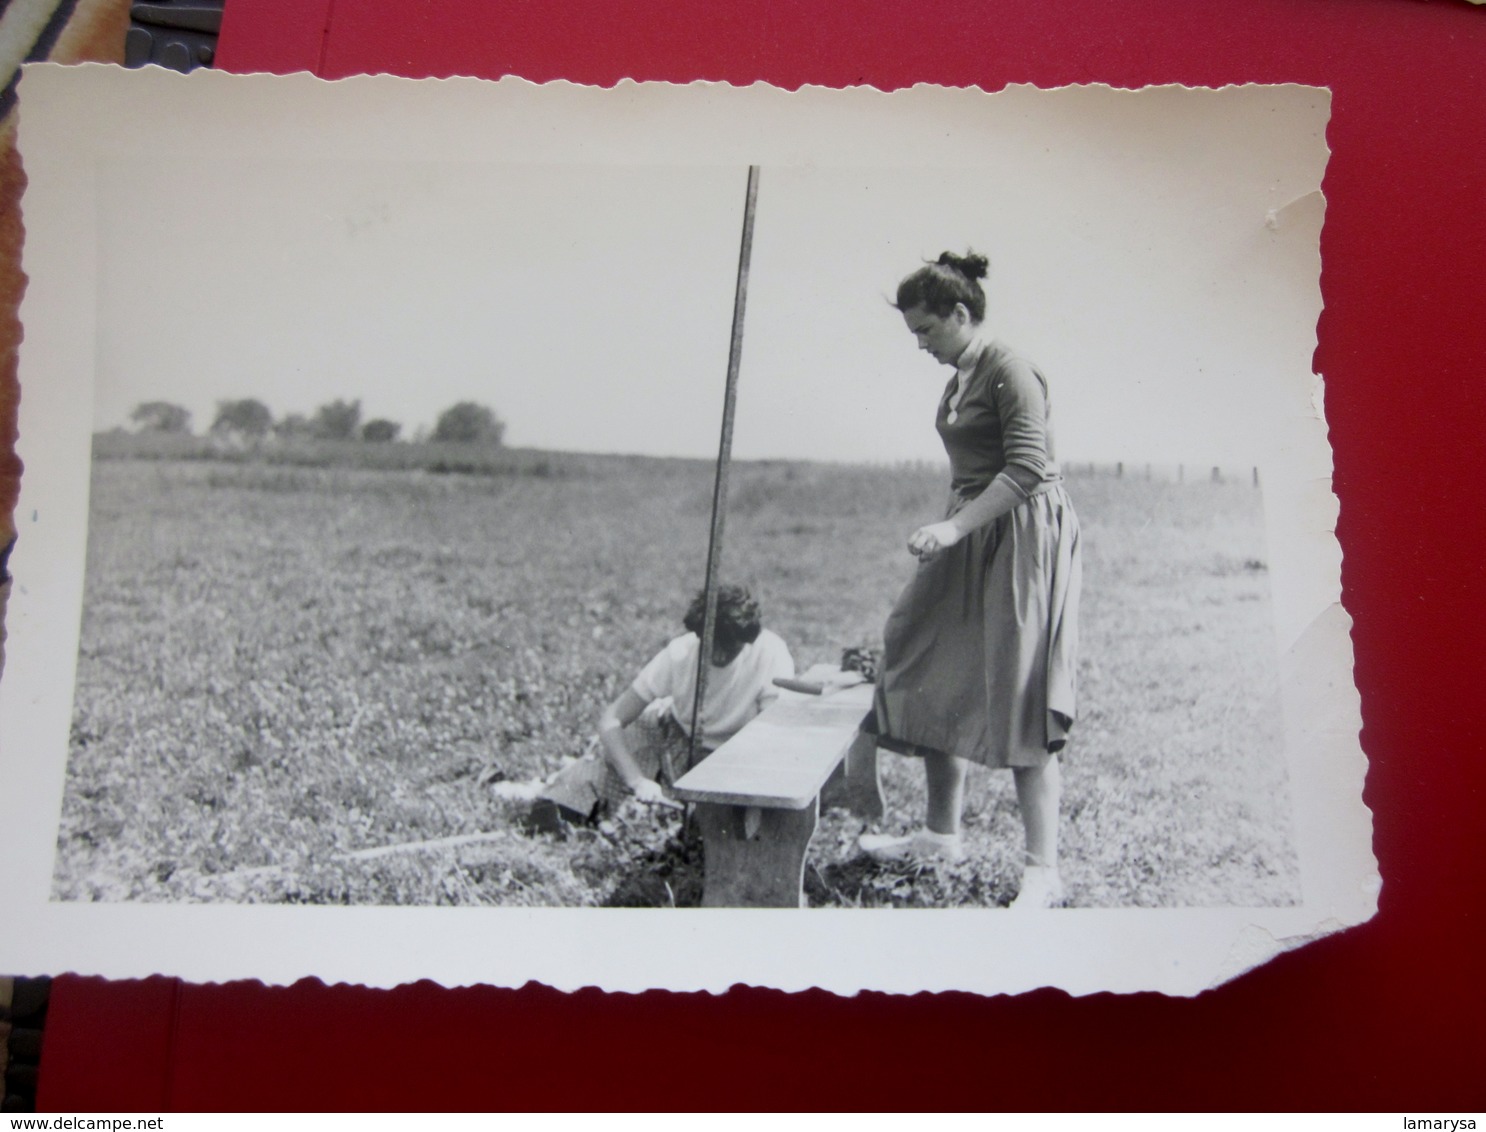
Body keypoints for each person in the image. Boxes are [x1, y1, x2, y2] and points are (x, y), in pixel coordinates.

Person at [857, 250, 1082, 910]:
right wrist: (955, 523)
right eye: (913, 334)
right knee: (923, 656)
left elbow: (1030, 471)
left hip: (1023, 535)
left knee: (1019, 691)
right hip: (971, 528)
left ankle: (1043, 870)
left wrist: (956, 528)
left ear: (961, 313)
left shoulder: (1009, 367)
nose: (920, 345)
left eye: (927, 330)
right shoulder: (960, 374)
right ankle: (939, 834)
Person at [527, 584, 794, 829]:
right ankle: (553, 787)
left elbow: (770, 737)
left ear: (747, 640)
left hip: (737, 755)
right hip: (678, 738)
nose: (721, 656)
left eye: (731, 648)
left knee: (711, 826)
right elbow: (612, 719)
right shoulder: (680, 654)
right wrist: (637, 781)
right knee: (559, 808)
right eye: (713, 647)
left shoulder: (771, 654)